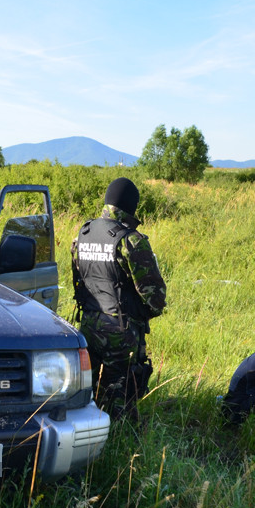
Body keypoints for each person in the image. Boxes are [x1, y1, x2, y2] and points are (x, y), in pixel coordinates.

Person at [71, 177, 166, 420]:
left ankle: (87, 432)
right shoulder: (130, 240)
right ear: (131, 206)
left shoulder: (83, 234)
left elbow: (79, 280)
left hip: (89, 324)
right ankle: (121, 443)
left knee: (88, 389)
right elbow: (155, 298)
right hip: (120, 329)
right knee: (120, 393)